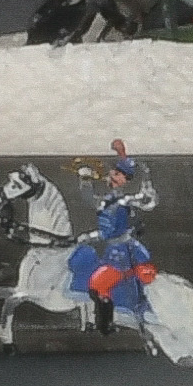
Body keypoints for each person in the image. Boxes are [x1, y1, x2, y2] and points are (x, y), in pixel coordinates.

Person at [64, 144, 161, 336]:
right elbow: (90, 199)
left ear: (126, 180)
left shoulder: (126, 201)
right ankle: (106, 322)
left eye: (118, 175)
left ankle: (110, 322)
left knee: (99, 284)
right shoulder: (107, 201)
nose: (112, 177)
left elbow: (148, 202)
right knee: (94, 284)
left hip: (124, 253)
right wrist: (85, 179)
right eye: (113, 174)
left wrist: (143, 177)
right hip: (112, 252)